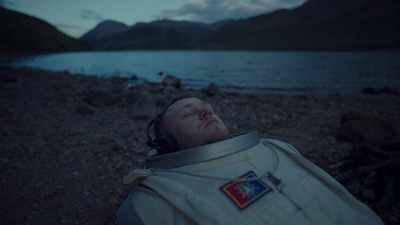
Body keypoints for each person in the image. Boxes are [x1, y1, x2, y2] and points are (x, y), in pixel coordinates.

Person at [117, 96, 384, 225]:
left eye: (205, 106)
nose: (206, 110)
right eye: (189, 113)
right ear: (168, 144)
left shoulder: (278, 147)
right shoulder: (152, 202)